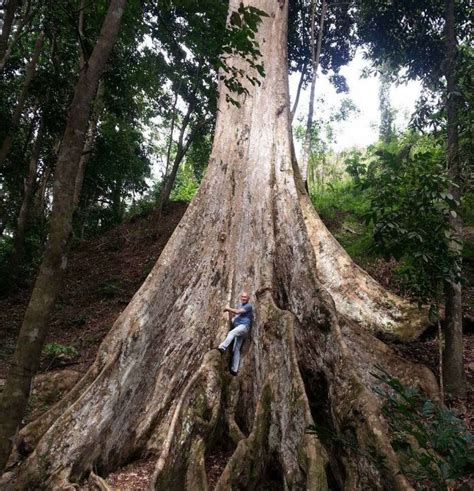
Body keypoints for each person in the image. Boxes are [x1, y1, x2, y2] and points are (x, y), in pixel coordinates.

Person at [217, 291, 253, 376]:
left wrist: (228, 308)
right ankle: (234, 369)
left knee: (231, 333)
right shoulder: (239, 305)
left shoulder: (249, 306)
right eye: (242, 297)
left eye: (245, 297)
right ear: (241, 298)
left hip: (243, 327)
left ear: (248, 298)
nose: (244, 298)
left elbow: (237, 312)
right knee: (236, 348)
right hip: (239, 328)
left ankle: (222, 347)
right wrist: (233, 320)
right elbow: (237, 315)